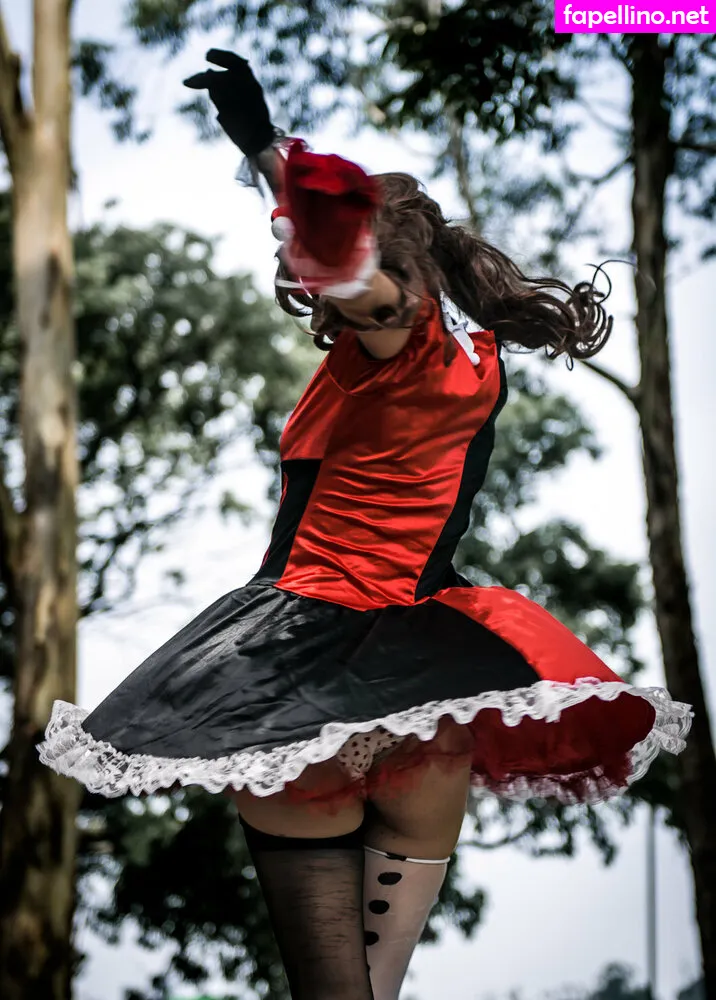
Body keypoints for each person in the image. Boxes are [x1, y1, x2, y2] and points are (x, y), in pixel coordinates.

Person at [38, 51, 691, 1000]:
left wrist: (281, 172)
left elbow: (359, 278)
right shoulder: (471, 350)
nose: (300, 270)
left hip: (300, 683)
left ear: (388, 269)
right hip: (426, 706)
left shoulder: (397, 335)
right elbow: (354, 259)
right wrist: (267, 152)